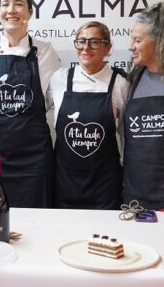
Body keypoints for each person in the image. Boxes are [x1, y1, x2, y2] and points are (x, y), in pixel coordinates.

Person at [0, 0, 61, 208]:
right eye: (5, 4)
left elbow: (55, 103)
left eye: (19, 4)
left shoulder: (45, 52)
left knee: (37, 221)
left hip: (35, 157)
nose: (11, 10)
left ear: (30, 12)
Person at [48, 21, 128, 209]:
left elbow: (126, 135)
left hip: (104, 184)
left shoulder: (119, 84)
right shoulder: (59, 79)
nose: (86, 47)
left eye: (94, 42)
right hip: (64, 181)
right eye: (81, 41)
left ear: (107, 47)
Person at [122, 3, 164, 211]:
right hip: (135, 194)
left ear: (161, 41)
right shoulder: (134, 78)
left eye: (138, 40)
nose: (130, 46)